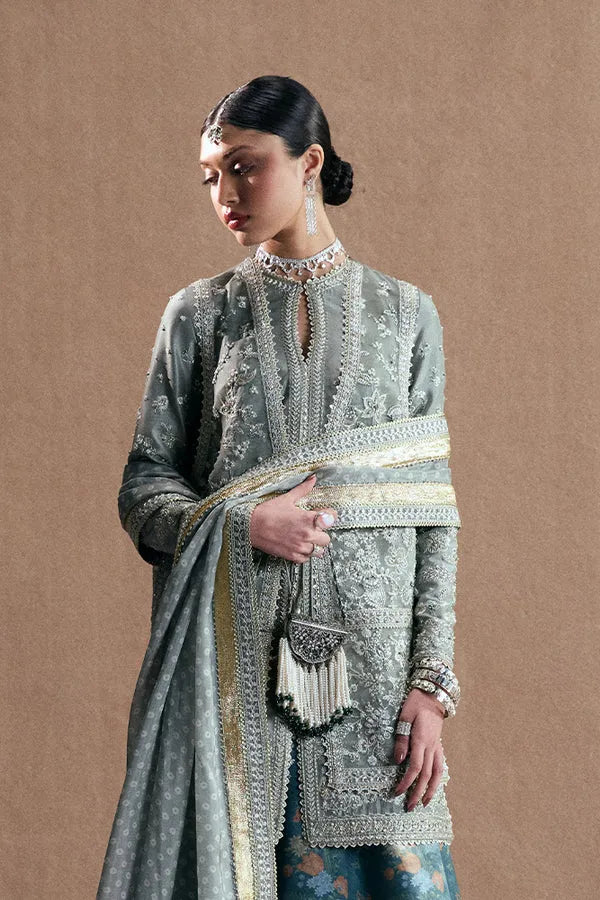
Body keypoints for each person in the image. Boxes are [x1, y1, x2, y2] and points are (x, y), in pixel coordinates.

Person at [96, 75, 462, 900]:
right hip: (232, 679)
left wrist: (431, 686)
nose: (225, 194)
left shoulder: (407, 315)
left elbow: (433, 512)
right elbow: (144, 487)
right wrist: (240, 521)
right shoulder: (198, 316)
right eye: (211, 176)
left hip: (373, 686)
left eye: (244, 166)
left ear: (310, 163)